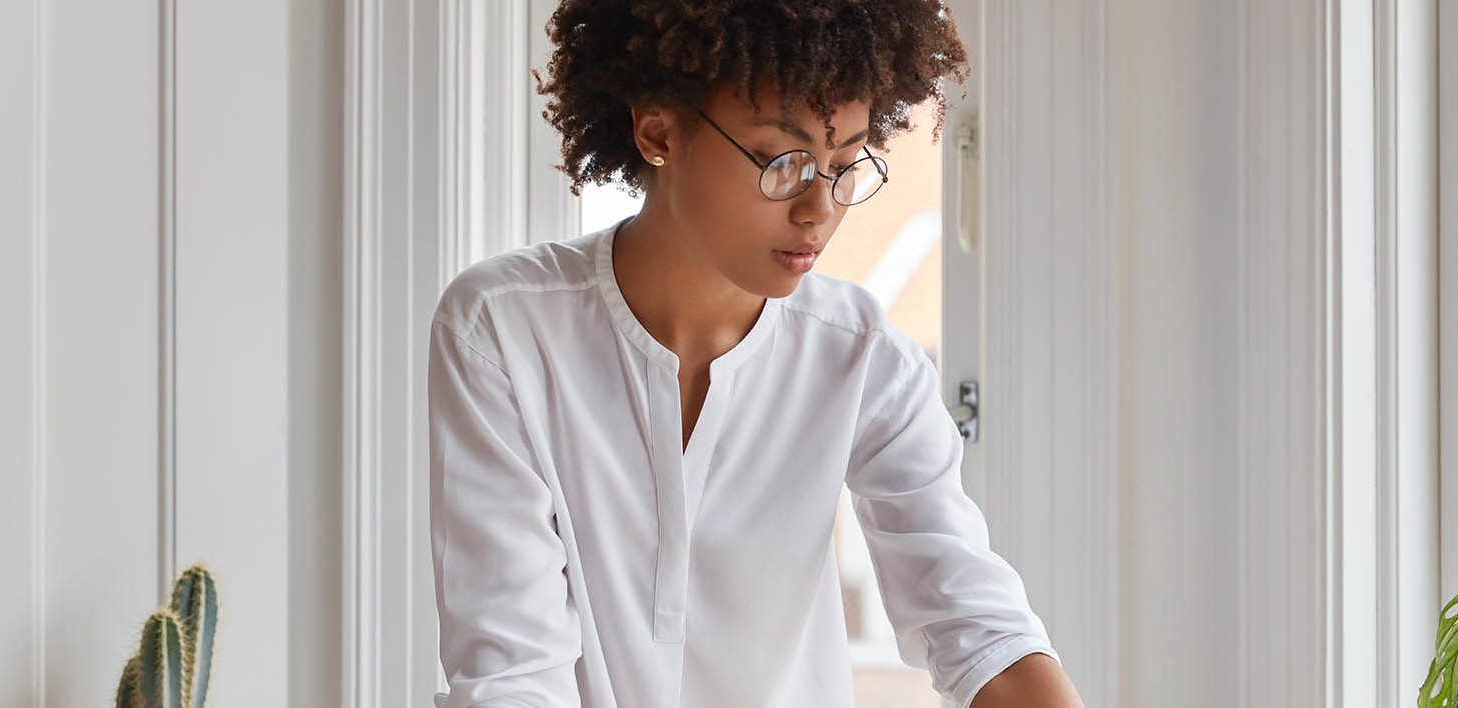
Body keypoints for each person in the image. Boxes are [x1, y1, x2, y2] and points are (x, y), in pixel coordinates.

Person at [427, 1, 1082, 707]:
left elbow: (981, 630)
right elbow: (510, 673)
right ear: (658, 132)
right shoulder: (503, 327)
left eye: (844, 162)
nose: (819, 208)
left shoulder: (862, 359)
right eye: (782, 160)